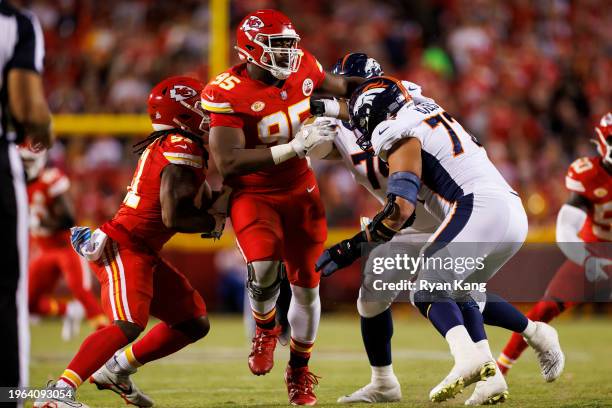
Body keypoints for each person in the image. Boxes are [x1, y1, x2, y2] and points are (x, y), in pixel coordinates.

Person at [316, 53, 564, 405]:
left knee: (428, 289)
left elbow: (400, 208)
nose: (357, 128)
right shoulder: (417, 103)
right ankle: (506, 359)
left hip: (469, 209)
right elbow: (363, 104)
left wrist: (351, 247)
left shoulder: (393, 130)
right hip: (504, 208)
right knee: (458, 293)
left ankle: (472, 358)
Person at [201, 9, 364, 405]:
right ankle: (264, 328)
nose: (289, 53)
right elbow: (228, 162)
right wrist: (291, 148)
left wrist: (387, 89)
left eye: (290, 43)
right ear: (252, 50)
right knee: (261, 269)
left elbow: (343, 87)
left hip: (299, 190)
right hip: (254, 194)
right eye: (279, 46)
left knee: (308, 287)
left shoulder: (304, 67)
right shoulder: (226, 92)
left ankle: (300, 370)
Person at [34, 76, 223, 408]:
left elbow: (209, 201)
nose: (207, 115)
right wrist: (216, 221)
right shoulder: (180, 146)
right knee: (127, 324)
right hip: (125, 246)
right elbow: (174, 217)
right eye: (199, 109)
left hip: (143, 249)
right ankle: (58, 392)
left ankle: (117, 369)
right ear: (181, 117)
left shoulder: (183, 146)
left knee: (192, 321)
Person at [498, 112, 612, 378]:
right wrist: (586, 259)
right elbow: (565, 228)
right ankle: (499, 368)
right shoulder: (589, 174)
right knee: (544, 309)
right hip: (594, 250)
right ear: (601, 141)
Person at [0, 0, 51, 402]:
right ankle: (9, 396)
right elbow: (25, 107)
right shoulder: (15, 23)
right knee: (7, 291)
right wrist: (42, 130)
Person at [20, 146, 106, 341]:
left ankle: (107, 342)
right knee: (27, 303)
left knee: (82, 293)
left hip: (66, 247)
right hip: (44, 250)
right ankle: (68, 311)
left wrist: (39, 222)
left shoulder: (50, 179)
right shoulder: (19, 185)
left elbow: (68, 218)